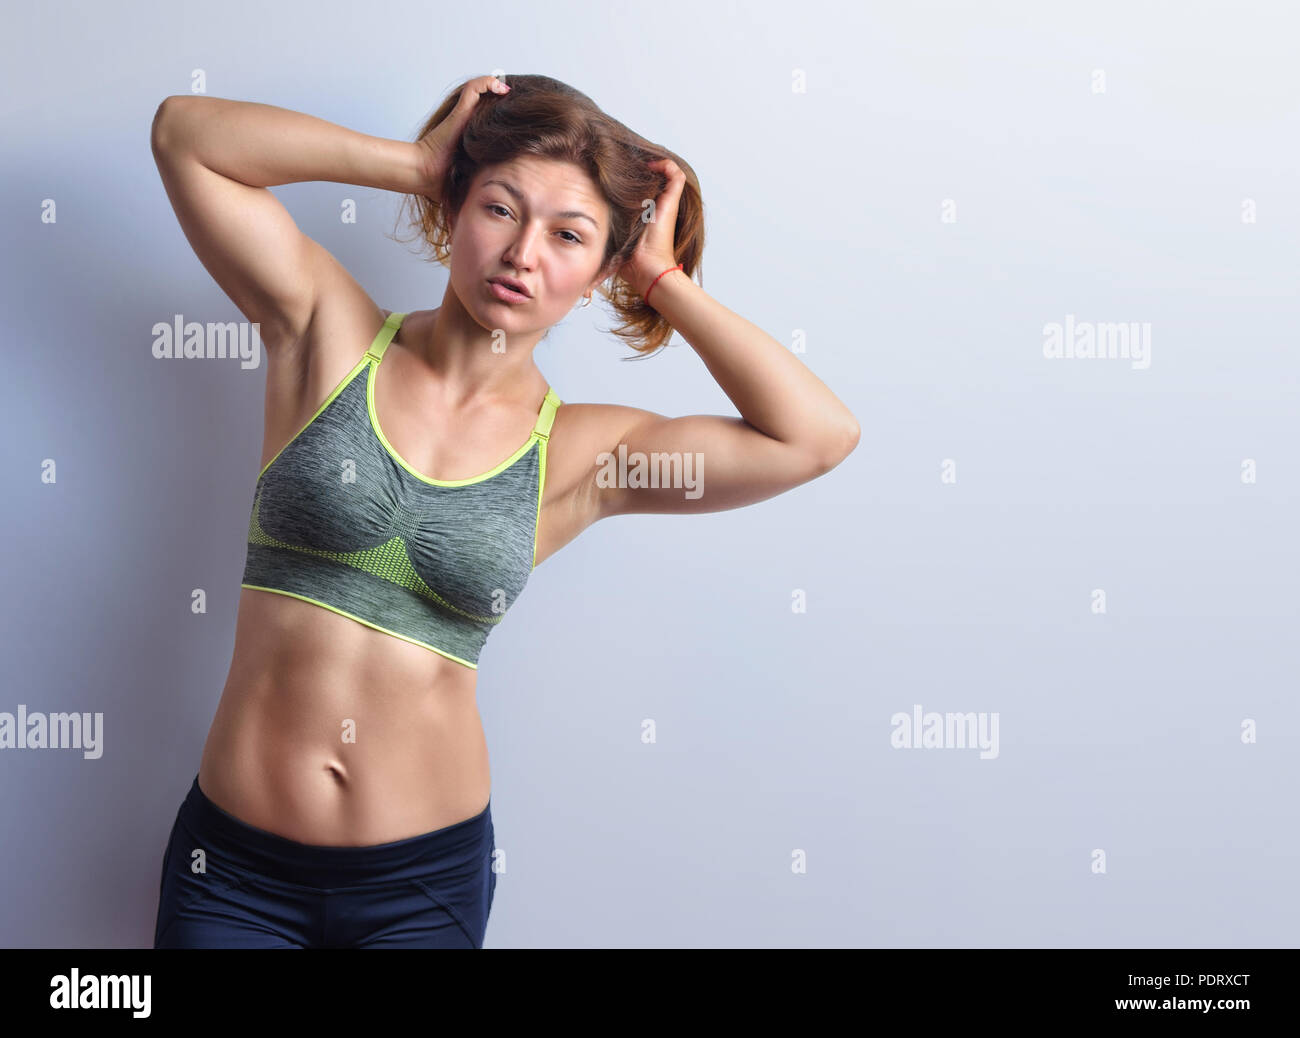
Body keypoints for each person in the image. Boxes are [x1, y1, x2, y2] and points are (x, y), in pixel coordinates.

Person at [149, 73, 859, 949]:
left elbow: (816, 438)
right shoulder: (323, 332)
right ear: (454, 210)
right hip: (234, 877)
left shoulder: (584, 455)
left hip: (421, 889)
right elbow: (186, 135)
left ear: (601, 273)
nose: (524, 252)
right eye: (499, 209)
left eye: (570, 235)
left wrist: (663, 278)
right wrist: (410, 163)